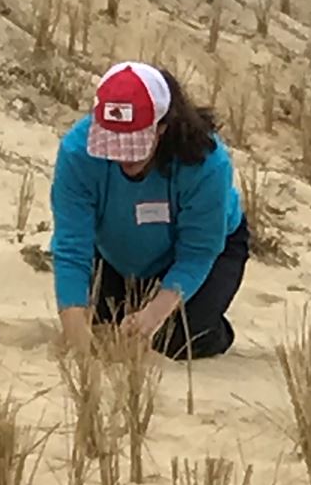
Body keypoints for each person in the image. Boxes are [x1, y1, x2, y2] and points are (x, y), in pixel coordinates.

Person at [51, 62, 249, 358]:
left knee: (173, 340)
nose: (123, 156)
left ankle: (210, 325)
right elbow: (71, 246)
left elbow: (198, 250)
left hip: (206, 252)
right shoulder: (77, 152)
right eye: (113, 142)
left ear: (162, 127)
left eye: (133, 143)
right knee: (102, 327)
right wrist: (75, 336)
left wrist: (153, 315)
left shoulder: (207, 162)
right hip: (115, 251)